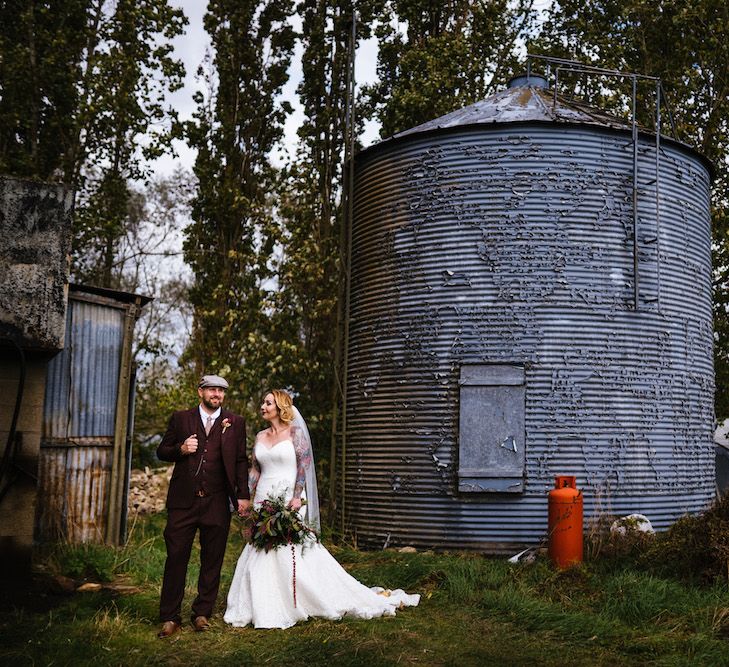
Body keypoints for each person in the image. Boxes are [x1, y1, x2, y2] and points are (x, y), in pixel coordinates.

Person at [224, 389, 419, 629]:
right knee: (261, 549)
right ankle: (262, 603)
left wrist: (296, 497)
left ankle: (298, 599)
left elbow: (303, 468)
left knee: (288, 547)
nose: (262, 406)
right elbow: (255, 470)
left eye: (267, 403)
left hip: (288, 498)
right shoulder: (260, 436)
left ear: (280, 407)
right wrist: (242, 497)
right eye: (263, 402)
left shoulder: (295, 434)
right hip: (263, 497)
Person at [156, 374, 249, 638]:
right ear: (200, 392)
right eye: (212, 390)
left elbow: (241, 461)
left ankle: (202, 613)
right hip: (183, 502)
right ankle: (170, 617)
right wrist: (181, 449)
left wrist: (243, 495)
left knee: (213, 559)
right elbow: (162, 451)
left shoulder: (236, 423)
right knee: (176, 557)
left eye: (221, 390)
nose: (216, 394)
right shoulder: (181, 418)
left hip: (217, 502)